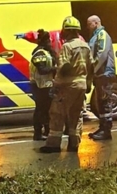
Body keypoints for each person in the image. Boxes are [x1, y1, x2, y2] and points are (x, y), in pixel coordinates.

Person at [40, 16, 93, 154]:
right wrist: (88, 83)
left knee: (57, 113)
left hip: (67, 85)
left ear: (67, 31)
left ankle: (53, 145)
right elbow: (91, 66)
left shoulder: (67, 46)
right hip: (81, 84)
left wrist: (55, 85)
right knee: (76, 114)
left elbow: (63, 68)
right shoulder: (86, 46)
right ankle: (74, 144)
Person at [87, 15, 116, 141]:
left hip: (104, 73)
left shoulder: (102, 35)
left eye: (89, 24)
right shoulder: (96, 36)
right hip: (100, 74)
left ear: (96, 23)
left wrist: (94, 69)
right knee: (100, 102)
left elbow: (102, 54)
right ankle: (102, 127)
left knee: (105, 102)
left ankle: (106, 130)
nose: (88, 27)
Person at [29, 29, 58, 140]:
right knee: (40, 109)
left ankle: (46, 131)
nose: (51, 42)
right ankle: (38, 133)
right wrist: (56, 69)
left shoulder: (45, 52)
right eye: (49, 40)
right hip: (40, 85)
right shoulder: (40, 53)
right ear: (45, 41)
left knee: (46, 109)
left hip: (45, 85)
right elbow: (42, 69)